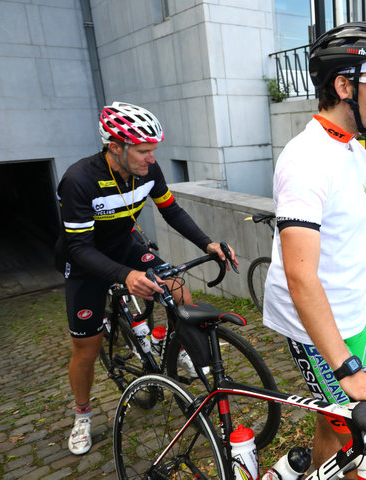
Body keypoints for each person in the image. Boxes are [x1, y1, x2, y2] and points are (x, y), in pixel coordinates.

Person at [262, 22, 366, 472]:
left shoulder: (352, 148)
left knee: (335, 421)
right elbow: (300, 275)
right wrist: (347, 369)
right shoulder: (306, 160)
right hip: (315, 325)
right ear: (344, 85)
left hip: (353, 313)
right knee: (364, 438)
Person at [55, 102, 238, 455]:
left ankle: (180, 351)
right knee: (86, 349)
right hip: (85, 262)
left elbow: (171, 209)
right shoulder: (79, 179)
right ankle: (82, 414)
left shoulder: (147, 172)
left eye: (153, 150)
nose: (151, 159)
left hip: (125, 246)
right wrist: (127, 275)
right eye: (143, 151)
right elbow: (78, 248)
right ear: (115, 147)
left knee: (179, 290)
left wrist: (207, 242)